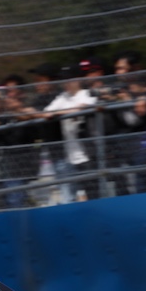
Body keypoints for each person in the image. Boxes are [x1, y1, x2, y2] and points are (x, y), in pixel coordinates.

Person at [41, 65, 98, 202]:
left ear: (77, 80)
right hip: (70, 156)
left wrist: (58, 113)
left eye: (69, 80)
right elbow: (46, 113)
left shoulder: (87, 93)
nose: (65, 84)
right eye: (63, 80)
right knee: (70, 194)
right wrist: (59, 113)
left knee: (94, 192)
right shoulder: (62, 97)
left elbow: (80, 108)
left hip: (88, 154)